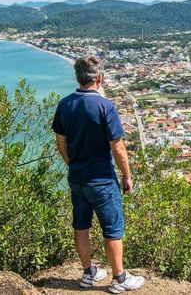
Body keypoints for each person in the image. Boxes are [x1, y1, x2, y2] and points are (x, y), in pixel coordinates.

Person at [52, 55, 145, 293]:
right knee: (112, 230)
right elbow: (118, 147)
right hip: (102, 179)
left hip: (77, 178)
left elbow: (60, 141)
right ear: (99, 78)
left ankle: (88, 273)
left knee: (81, 226)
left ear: (78, 77)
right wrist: (127, 176)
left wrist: (70, 162)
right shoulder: (105, 106)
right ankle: (119, 278)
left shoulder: (65, 104)